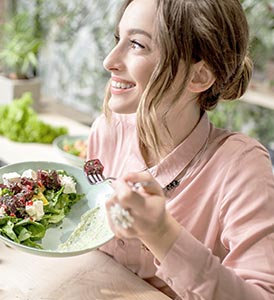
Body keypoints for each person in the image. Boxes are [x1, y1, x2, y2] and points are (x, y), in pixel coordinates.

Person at [86, 0, 274, 299]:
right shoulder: (108, 130)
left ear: (199, 76)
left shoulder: (241, 167)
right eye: (117, 39)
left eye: (136, 44)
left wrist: (161, 234)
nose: (109, 61)